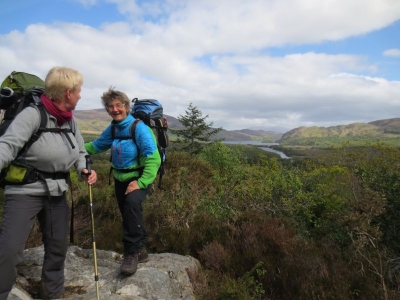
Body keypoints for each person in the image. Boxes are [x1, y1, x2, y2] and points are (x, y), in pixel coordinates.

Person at [0, 66, 97, 300]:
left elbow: (80, 151)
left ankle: (51, 295)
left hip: (57, 192)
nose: (80, 95)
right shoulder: (32, 115)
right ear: (67, 92)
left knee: (57, 248)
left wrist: (84, 168)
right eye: (78, 90)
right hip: (25, 191)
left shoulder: (70, 120)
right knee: (10, 250)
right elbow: (6, 146)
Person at [84, 87, 160, 276]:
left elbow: (153, 158)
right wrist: (73, 148)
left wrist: (141, 183)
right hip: (120, 178)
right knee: (128, 215)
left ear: (126, 107)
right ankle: (141, 250)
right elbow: (97, 146)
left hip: (139, 177)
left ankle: (132, 253)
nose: (114, 109)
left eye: (118, 105)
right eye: (110, 106)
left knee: (132, 205)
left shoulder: (139, 128)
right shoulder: (114, 128)